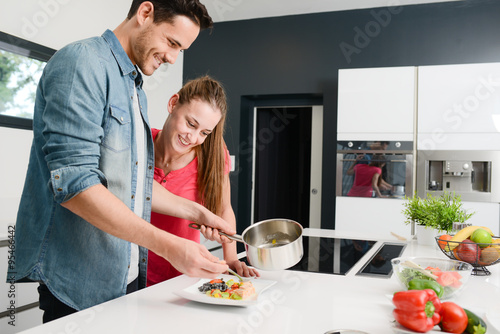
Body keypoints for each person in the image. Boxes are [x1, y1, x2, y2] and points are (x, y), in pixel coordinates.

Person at [8, 0, 234, 323]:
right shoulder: (82, 63)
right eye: (172, 43)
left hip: (123, 282)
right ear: (145, 13)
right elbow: (76, 187)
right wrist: (170, 246)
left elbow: (133, 185)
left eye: (179, 50)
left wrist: (198, 212)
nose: (172, 58)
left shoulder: (134, 88)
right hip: (79, 284)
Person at [147, 76, 259, 285]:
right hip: (130, 274)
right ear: (173, 104)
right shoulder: (139, 144)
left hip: (180, 278)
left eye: (204, 132)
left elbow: (224, 209)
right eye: (191, 124)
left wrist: (231, 258)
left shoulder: (212, 157)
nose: (193, 137)